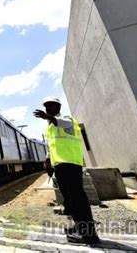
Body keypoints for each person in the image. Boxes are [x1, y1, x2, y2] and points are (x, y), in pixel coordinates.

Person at [33, 96, 99, 244]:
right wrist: (48, 160)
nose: (47, 108)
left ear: (58, 107)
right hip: (60, 166)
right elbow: (52, 145)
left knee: (77, 199)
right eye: (46, 106)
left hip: (70, 164)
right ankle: (79, 228)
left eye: (51, 106)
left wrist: (48, 117)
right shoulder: (51, 126)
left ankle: (89, 235)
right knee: (70, 200)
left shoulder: (66, 118)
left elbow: (66, 123)